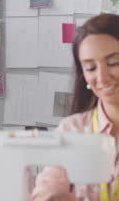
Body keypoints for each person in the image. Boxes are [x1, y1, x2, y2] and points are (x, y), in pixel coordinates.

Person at [31, 14, 119, 201]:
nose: (102, 77)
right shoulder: (73, 129)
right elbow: (47, 190)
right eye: (90, 67)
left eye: (113, 62)